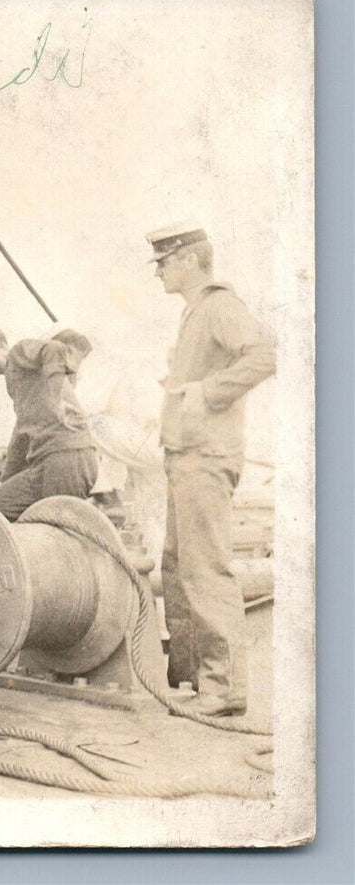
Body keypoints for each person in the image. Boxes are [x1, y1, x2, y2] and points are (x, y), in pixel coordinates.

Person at [148, 221, 275, 717]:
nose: (158, 272)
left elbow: (266, 354)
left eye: (163, 262)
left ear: (187, 261)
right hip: (187, 459)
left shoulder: (220, 305)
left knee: (206, 571)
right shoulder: (198, 312)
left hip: (204, 459)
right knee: (179, 569)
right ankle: (194, 680)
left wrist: (207, 391)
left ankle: (223, 689)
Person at [0, 324, 98, 521]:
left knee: (54, 535)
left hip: (64, 459)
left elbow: (54, 349)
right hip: (49, 464)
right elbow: (20, 439)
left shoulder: (18, 353)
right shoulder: (16, 381)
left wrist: (58, 398)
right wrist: (5, 483)